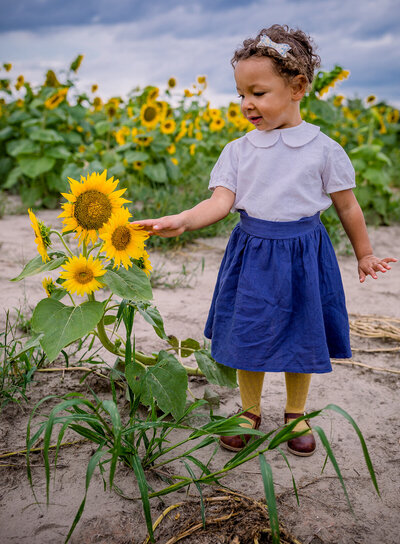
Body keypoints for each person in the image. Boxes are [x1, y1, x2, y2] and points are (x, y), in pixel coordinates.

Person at [135, 24, 397, 456]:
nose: (246, 104)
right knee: (247, 333)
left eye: (257, 93)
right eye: (240, 94)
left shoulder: (323, 148)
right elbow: (220, 202)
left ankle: (296, 414)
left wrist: (364, 253)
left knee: (302, 333)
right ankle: (249, 411)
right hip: (253, 253)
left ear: (297, 87)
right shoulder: (239, 150)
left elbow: (348, 207)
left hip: (303, 253)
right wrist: (184, 219)